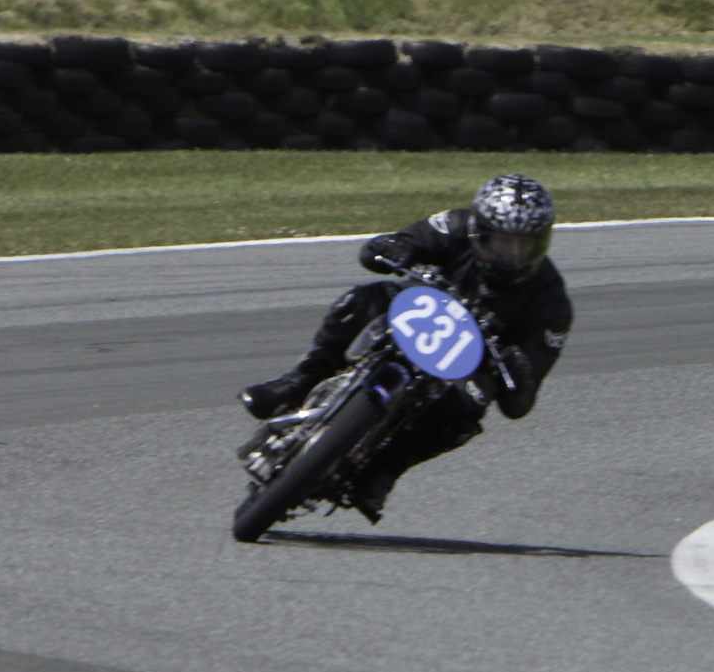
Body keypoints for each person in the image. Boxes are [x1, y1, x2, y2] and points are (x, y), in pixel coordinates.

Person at [240, 173, 572, 522]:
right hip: (417, 310)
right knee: (360, 301)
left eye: (526, 244)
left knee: (470, 405)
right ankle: (297, 382)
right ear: (481, 231)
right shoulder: (455, 225)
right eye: (503, 241)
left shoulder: (551, 302)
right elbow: (386, 247)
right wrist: (396, 248)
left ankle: (383, 472)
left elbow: (521, 400)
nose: (514, 254)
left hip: (468, 362)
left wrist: (517, 368)